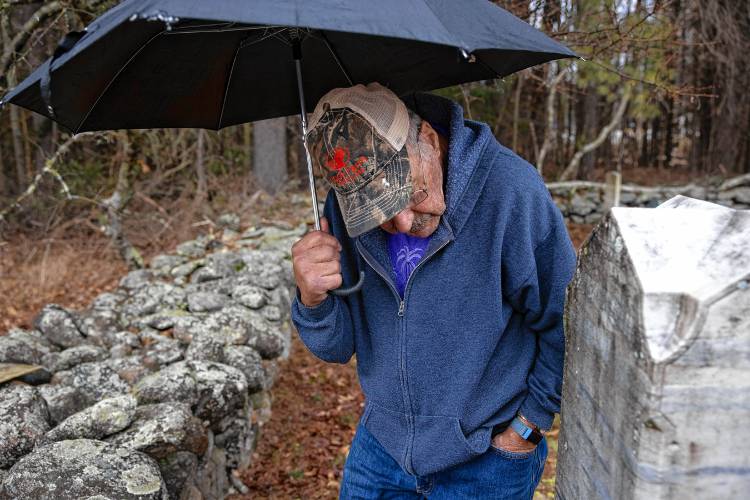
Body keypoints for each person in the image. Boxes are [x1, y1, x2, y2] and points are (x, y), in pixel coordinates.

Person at [290, 82, 576, 499]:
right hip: (382, 447)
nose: (403, 222)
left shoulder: (509, 191)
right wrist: (312, 299)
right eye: (380, 214)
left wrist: (526, 427)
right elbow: (337, 347)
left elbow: (565, 318)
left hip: (486, 457)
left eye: (412, 194)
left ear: (428, 141)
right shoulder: (342, 211)